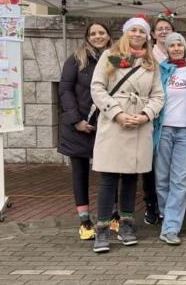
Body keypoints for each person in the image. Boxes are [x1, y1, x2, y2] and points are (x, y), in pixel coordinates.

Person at [90, 15, 164, 253]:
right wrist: (118, 113)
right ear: (125, 33)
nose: (137, 35)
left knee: (132, 177)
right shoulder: (112, 55)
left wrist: (145, 115)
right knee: (109, 177)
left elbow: (158, 95)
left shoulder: (151, 62)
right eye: (133, 30)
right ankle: (102, 228)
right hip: (115, 122)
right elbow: (97, 87)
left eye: (142, 31)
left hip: (140, 123)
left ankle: (127, 225)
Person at [58, 22, 112, 241]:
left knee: (111, 172)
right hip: (79, 126)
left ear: (109, 35)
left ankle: (112, 215)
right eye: (93, 33)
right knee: (80, 173)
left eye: (101, 33)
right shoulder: (76, 59)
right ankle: (84, 221)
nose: (97, 36)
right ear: (87, 37)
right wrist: (76, 120)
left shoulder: (116, 58)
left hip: (107, 125)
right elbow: (65, 90)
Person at [152, 32, 186, 245]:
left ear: (185, 47)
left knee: (180, 181)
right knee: (162, 179)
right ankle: (167, 215)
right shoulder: (159, 70)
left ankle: (171, 227)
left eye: (180, 44)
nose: (176, 48)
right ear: (167, 49)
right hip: (163, 130)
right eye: (172, 45)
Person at [142, 10, 175, 225]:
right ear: (153, 34)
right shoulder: (147, 56)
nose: (163, 32)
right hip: (150, 115)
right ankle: (150, 204)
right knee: (150, 165)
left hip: (171, 117)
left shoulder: (178, 56)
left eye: (167, 29)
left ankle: (168, 207)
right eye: (160, 29)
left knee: (167, 167)